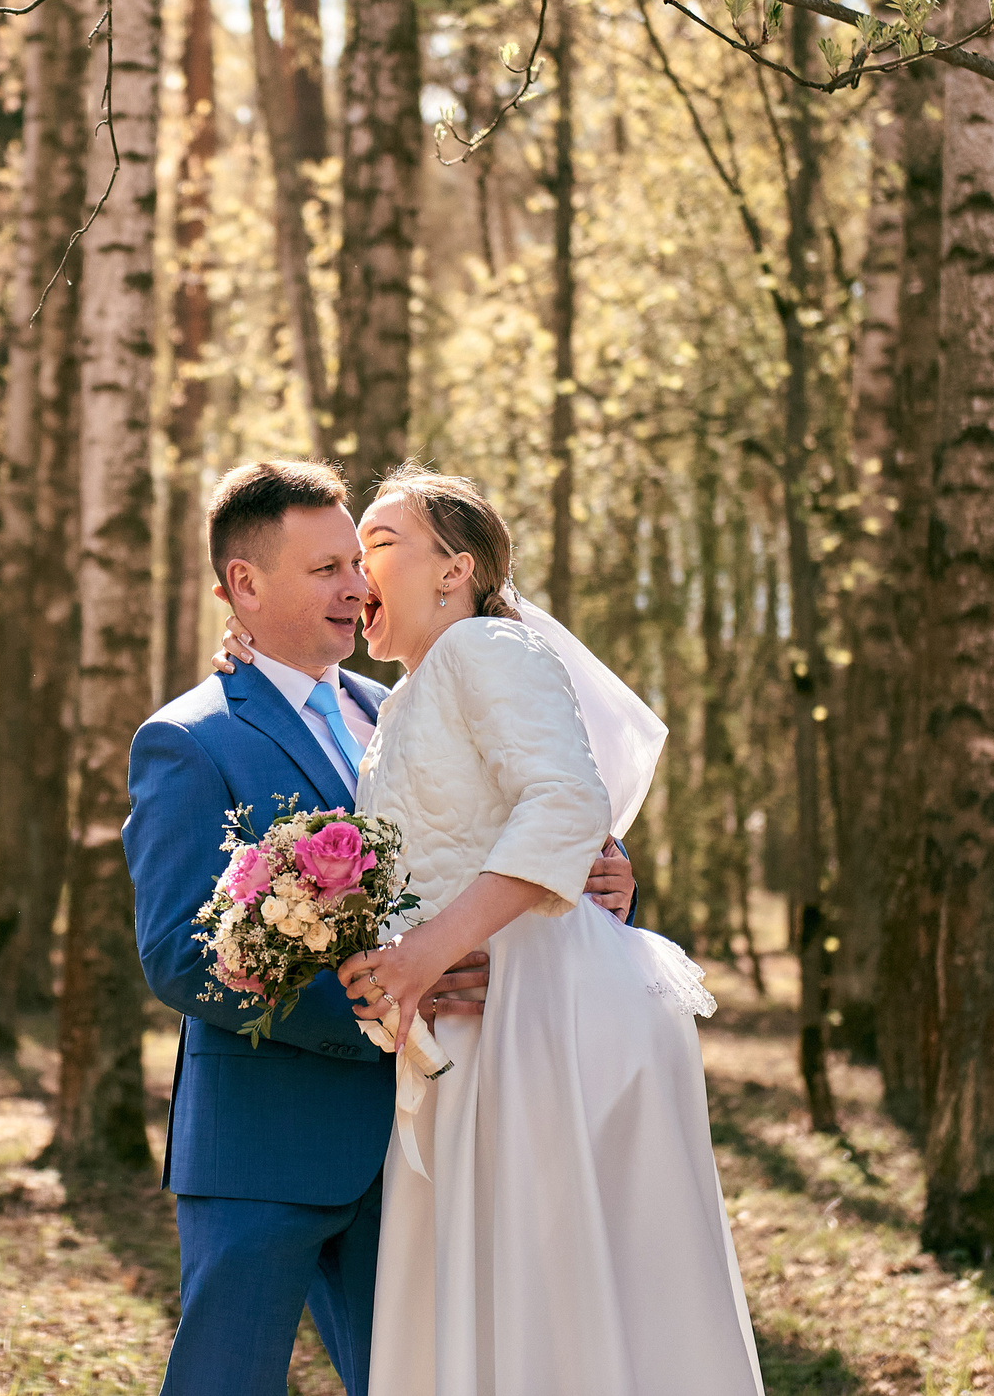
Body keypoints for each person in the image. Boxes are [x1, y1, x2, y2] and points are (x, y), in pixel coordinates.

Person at [122, 460, 641, 1396]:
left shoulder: (392, 705)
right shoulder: (191, 738)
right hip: (263, 1143)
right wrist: (375, 998)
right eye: (327, 567)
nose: (357, 586)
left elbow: (500, 823)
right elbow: (178, 953)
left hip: (416, 1145)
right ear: (244, 585)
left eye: (360, 561)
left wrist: (599, 875)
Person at [312, 465, 763, 1395]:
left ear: (454, 570)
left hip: (539, 1021)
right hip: (468, 1029)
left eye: (381, 545)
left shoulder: (487, 650)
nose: (360, 574)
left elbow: (564, 803)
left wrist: (427, 952)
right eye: (353, 556)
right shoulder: (398, 704)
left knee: (550, 1294)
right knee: (483, 1291)